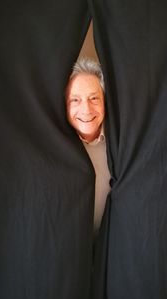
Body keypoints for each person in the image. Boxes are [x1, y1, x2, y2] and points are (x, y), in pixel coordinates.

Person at [65, 57, 111, 232]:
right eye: (75, 100)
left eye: (94, 98)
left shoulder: (120, 147)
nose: (86, 109)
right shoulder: (53, 148)